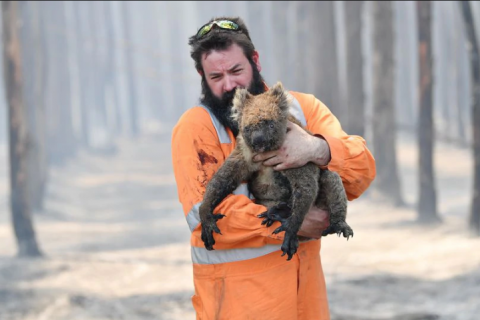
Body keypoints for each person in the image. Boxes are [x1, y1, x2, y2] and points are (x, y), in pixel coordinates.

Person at [171, 16, 376, 320]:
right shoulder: (197, 128)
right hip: (236, 308)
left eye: (236, 70)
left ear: (255, 60)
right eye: (216, 76)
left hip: (306, 304)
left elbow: (362, 171)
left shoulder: (301, 109)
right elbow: (203, 215)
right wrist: (289, 223)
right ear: (202, 75)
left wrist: (318, 148)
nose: (229, 84)